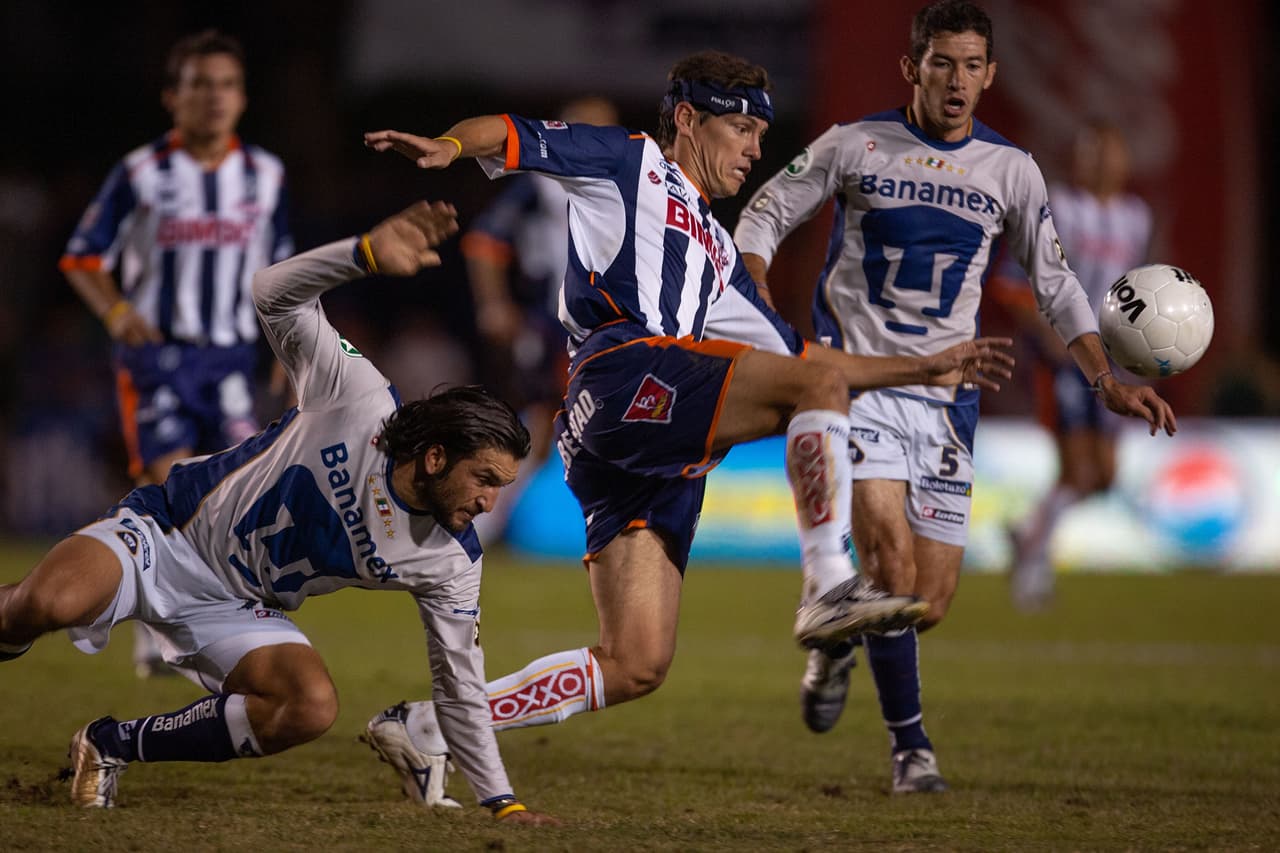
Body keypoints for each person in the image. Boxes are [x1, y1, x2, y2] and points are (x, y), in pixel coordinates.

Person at [359, 49, 1015, 805]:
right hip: (624, 373)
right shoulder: (629, 160)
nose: (754, 149)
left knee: (636, 662)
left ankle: (429, 725)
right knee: (816, 388)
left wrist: (923, 368)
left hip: (633, 440)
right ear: (686, 119)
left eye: (760, 135)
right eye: (741, 129)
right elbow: (510, 133)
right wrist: (448, 145)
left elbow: (803, 359)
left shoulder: (720, 253)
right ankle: (828, 583)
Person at [733, 0, 1176, 794]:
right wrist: (759, 298)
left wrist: (1106, 378)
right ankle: (912, 751)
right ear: (913, 67)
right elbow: (763, 216)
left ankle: (836, 640)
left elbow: (1056, 284)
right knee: (890, 564)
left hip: (946, 400)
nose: (957, 80)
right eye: (942, 63)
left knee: (926, 602)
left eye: (972, 66)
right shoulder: (853, 144)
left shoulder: (1011, 169)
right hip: (858, 384)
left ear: (991, 75)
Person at [1, 200, 552, 824]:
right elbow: (272, 292)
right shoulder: (359, 399)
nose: (489, 502)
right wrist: (362, 254)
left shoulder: (451, 560)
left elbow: (460, 686)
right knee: (48, 605)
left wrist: (503, 803)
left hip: (236, 605)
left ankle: (110, 745)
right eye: (484, 479)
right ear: (433, 457)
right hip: (167, 535)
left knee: (308, 707)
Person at [59, 30, 294, 678]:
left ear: (242, 98)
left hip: (231, 360)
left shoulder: (266, 175)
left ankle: (172, 616)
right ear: (172, 97)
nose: (214, 97)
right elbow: (82, 257)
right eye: (199, 85)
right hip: (158, 358)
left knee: (233, 492)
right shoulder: (141, 172)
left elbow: (282, 270)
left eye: (226, 85)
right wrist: (115, 311)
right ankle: (154, 619)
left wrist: (287, 346)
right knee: (171, 483)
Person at [994, 121, 1154, 610]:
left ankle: (1027, 532)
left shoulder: (1136, 217)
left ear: (1125, 159)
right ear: (1078, 160)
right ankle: (1032, 569)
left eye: (1110, 151)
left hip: (1114, 359)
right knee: (1078, 469)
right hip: (1064, 357)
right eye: (1092, 152)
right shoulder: (1058, 209)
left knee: (1104, 476)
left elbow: (1133, 290)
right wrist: (1052, 336)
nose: (1102, 162)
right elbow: (1010, 281)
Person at [461, 96, 619, 545]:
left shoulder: (626, 181)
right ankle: (477, 519)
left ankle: (483, 523)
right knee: (538, 423)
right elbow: (485, 239)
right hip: (554, 325)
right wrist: (494, 304)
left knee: (562, 425)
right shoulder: (544, 182)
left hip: (607, 325)